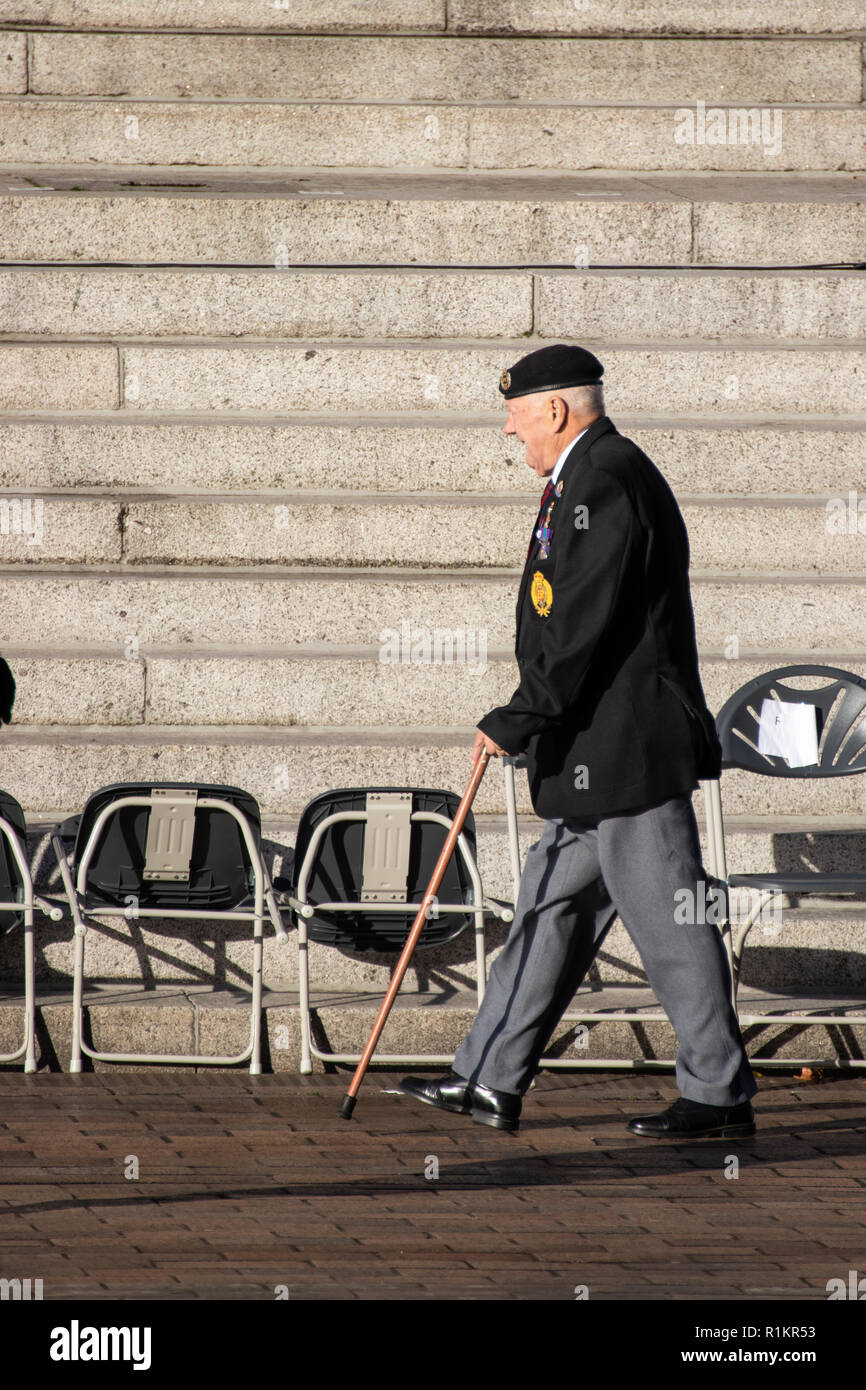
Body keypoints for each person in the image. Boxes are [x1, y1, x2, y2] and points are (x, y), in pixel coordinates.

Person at [397, 343, 757, 1138]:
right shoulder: (587, 475)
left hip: (626, 751)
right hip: (592, 753)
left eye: (517, 413)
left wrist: (521, 715)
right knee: (548, 913)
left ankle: (718, 1096)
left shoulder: (605, 476)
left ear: (556, 410)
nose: (507, 428)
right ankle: (488, 1077)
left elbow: (581, 622)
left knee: (672, 925)